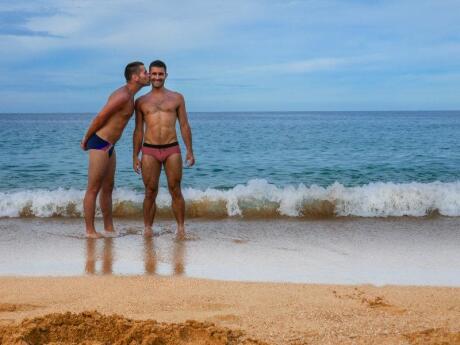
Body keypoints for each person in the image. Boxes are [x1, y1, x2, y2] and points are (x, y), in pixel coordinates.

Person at [81, 61, 150, 238]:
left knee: (108, 188)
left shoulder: (131, 96)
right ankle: (89, 231)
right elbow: (100, 117)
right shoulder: (123, 96)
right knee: (93, 189)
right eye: (145, 72)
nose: (148, 75)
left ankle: (108, 228)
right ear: (135, 77)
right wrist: (86, 138)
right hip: (99, 143)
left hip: (110, 146)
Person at [133, 60, 195, 239]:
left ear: (166, 75)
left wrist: (189, 150)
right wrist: (135, 155)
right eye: (154, 74)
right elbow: (138, 130)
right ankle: (147, 229)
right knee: (150, 191)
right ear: (149, 76)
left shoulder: (177, 98)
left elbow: (184, 125)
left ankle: (181, 228)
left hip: (172, 148)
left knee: (175, 189)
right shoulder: (141, 101)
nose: (157, 77)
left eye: (161, 74)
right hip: (149, 150)